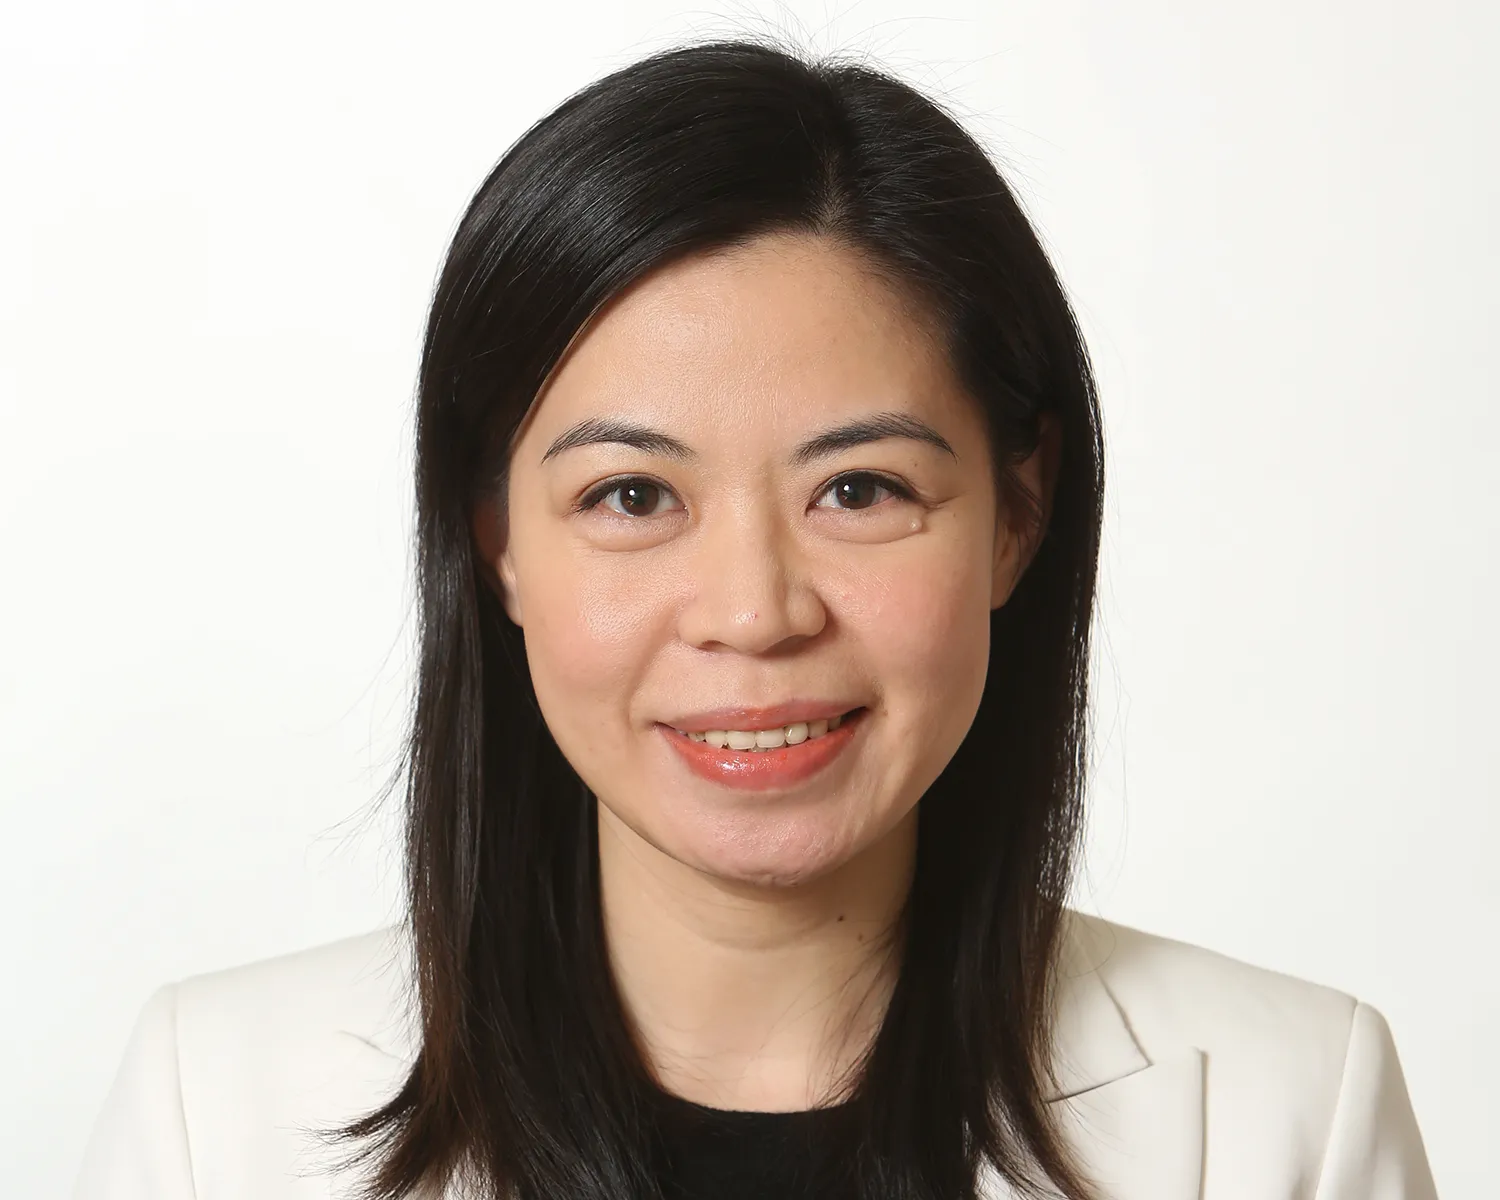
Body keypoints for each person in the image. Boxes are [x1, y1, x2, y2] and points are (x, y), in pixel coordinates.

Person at [72, 36, 1438, 1200]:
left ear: (1017, 516)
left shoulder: (1287, 1116)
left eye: (859, 489)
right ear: (496, 547)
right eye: (630, 496)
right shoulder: (217, 1118)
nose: (753, 612)